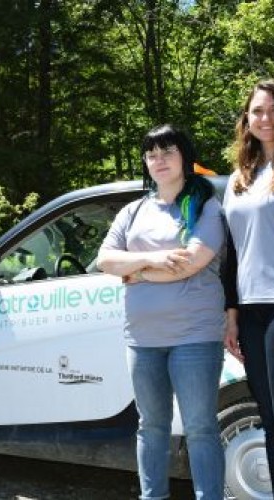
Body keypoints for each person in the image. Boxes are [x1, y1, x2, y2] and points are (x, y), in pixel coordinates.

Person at [96, 124, 225, 499]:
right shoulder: (133, 211)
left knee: (200, 427)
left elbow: (190, 262)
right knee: (150, 426)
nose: (159, 160)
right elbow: (104, 260)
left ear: (184, 156)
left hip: (195, 338)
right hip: (142, 340)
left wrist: (133, 270)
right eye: (152, 154)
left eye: (167, 151)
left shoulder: (206, 206)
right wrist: (152, 260)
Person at [223, 79, 274, 500]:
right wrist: (231, 314)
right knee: (271, 422)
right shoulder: (240, 178)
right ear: (247, 119)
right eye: (257, 111)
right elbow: (232, 254)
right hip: (251, 312)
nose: (266, 118)